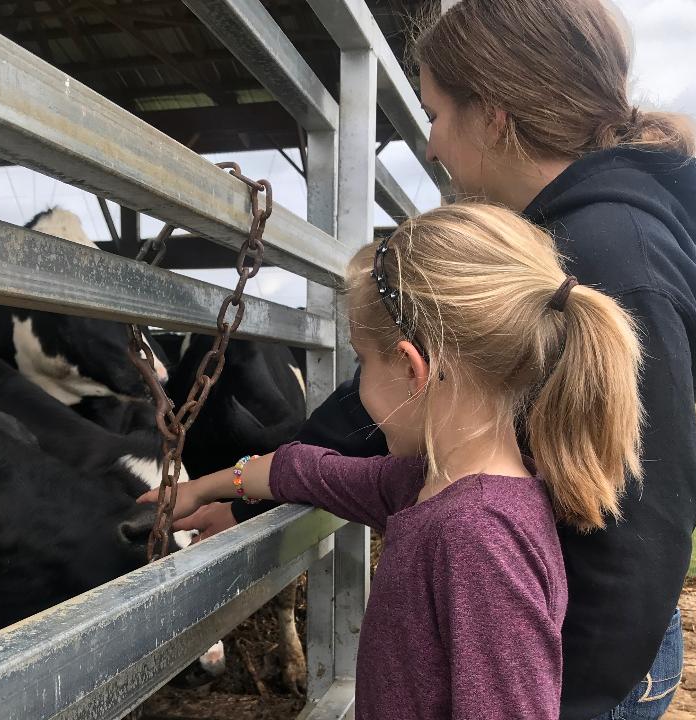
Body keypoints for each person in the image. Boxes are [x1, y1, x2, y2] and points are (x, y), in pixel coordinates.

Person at [176, 1, 696, 718]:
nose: (429, 146)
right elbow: (385, 457)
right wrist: (253, 488)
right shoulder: (548, 251)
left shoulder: (610, 255)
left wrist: (579, 702)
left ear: (493, 114)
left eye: (433, 114)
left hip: (578, 656)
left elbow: (639, 534)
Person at [142, 202, 643, 719]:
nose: (357, 385)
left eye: (361, 361)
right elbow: (310, 471)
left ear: (409, 368)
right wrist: (208, 487)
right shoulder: (429, 486)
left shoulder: (475, 536)